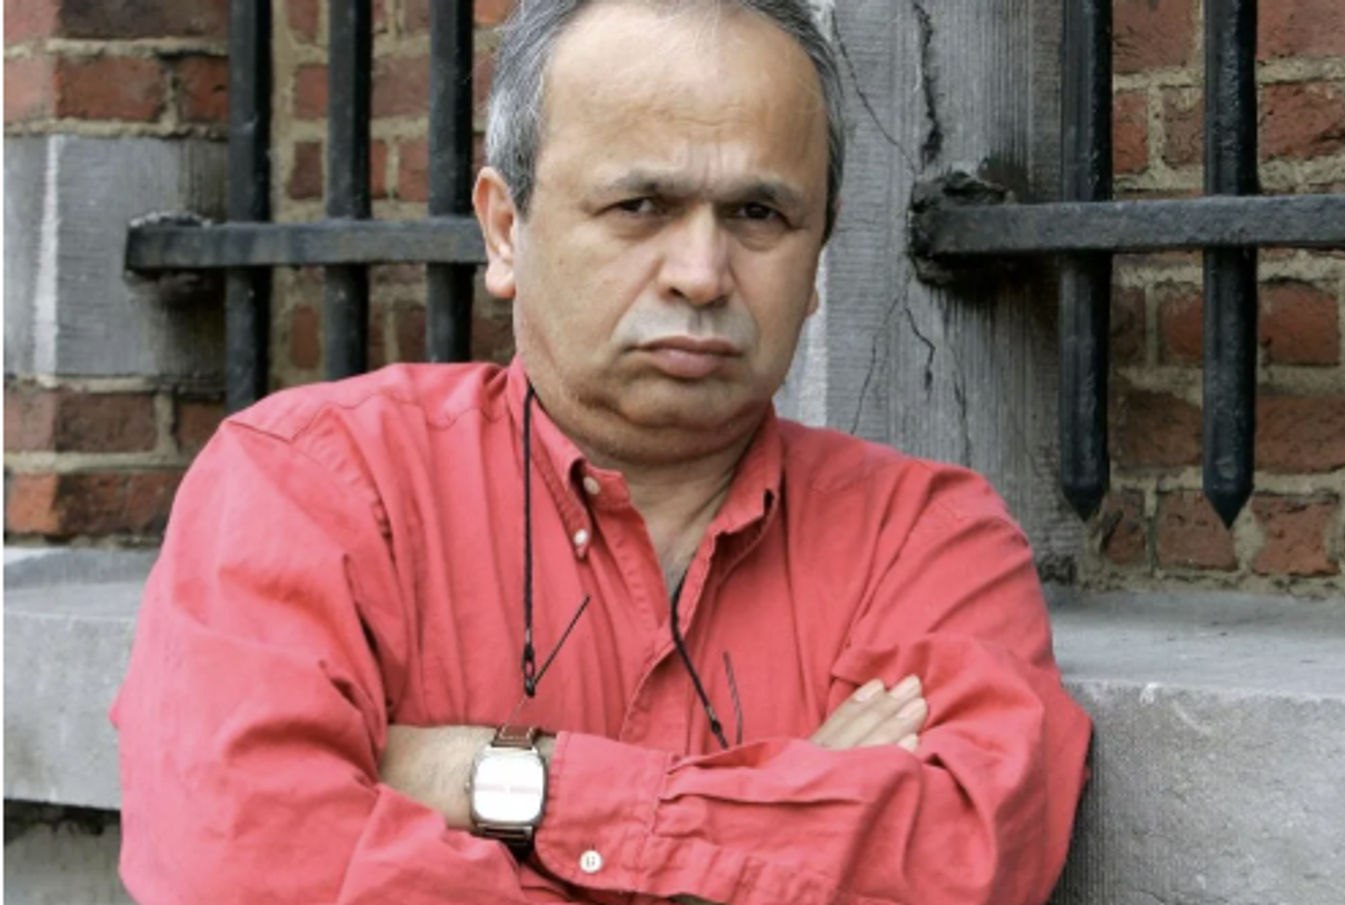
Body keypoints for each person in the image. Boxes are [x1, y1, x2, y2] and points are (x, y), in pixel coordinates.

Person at [111, 0, 1092, 902]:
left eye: (758, 214)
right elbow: (249, 865)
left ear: (817, 255)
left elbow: (965, 862)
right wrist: (778, 826)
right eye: (641, 206)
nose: (701, 273)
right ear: (505, 229)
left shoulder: (924, 543)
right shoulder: (311, 489)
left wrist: (501, 779)